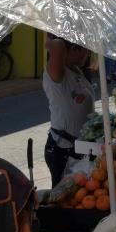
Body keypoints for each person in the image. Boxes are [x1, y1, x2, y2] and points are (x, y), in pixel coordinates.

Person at [43, 35, 94, 187]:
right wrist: (71, 30)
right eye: (86, 49)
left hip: (80, 147)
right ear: (73, 48)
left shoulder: (77, 71)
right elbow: (57, 44)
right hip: (62, 149)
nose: (89, 54)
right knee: (63, 198)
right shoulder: (57, 74)